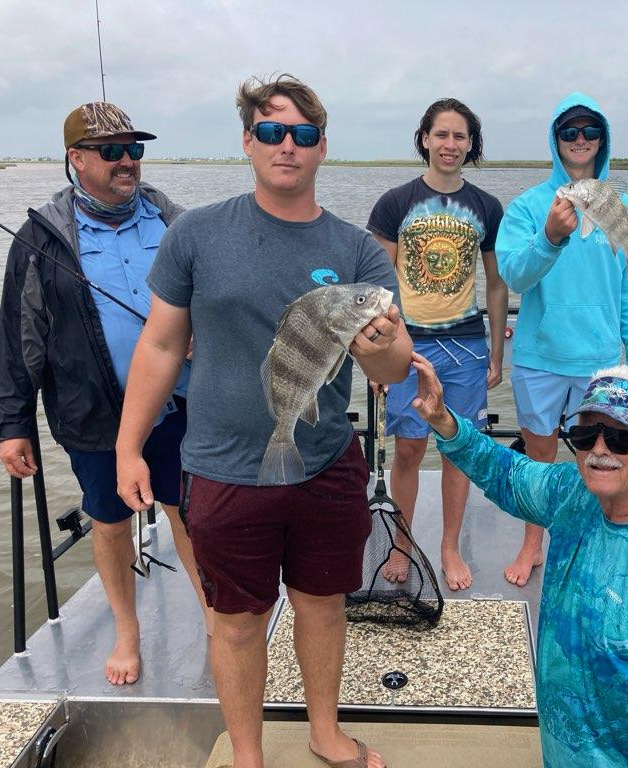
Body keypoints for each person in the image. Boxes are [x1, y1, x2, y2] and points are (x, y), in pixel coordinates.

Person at [115, 74, 411, 768]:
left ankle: (324, 732)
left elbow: (394, 368)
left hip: (328, 461)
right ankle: (247, 754)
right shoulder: (194, 234)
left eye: (303, 134)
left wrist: (385, 347)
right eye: (272, 131)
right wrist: (129, 447)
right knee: (237, 623)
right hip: (220, 466)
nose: (288, 146)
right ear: (248, 141)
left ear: (322, 148)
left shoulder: (358, 250)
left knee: (323, 606)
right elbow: (159, 345)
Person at [411, 353, 628, 767]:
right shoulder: (577, 489)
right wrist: (444, 421)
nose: (598, 450)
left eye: (619, 438)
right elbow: (512, 476)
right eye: (585, 434)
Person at [0, 102, 211, 686]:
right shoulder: (42, 238)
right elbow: (20, 337)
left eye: (134, 149)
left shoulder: (174, 220)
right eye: (112, 151)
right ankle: (127, 629)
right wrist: (12, 424)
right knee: (111, 519)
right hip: (92, 413)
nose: (127, 162)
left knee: (192, 513)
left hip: (182, 405)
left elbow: (215, 294)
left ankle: (217, 621)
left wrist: (204, 327)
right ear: (75, 160)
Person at [495, 91, 628, 588]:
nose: (580, 140)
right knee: (540, 455)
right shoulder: (528, 206)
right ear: (555, 141)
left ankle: (600, 544)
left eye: (590, 131)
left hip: (602, 360)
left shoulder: (625, 207)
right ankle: (532, 545)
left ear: (602, 141)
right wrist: (549, 236)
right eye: (570, 132)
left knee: (603, 458)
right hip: (540, 358)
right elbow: (513, 276)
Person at [366, 98, 507, 591]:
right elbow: (377, 287)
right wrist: (376, 358)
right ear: (424, 138)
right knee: (408, 449)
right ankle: (402, 544)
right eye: (441, 134)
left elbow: (495, 284)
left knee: (458, 449)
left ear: (471, 145)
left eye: (460, 136)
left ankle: (448, 546)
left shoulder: (487, 207)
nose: (450, 145)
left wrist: (496, 352)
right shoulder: (394, 203)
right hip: (408, 345)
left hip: (466, 346)